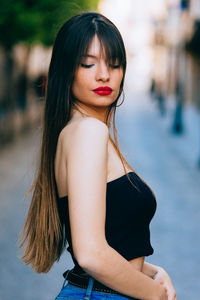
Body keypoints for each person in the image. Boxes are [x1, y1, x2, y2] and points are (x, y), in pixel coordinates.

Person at [18, 11, 177, 300]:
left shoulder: (75, 130)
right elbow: (90, 253)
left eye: (114, 64)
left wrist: (152, 272)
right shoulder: (89, 131)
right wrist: (156, 295)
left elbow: (114, 246)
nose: (104, 74)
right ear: (67, 70)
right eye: (87, 64)